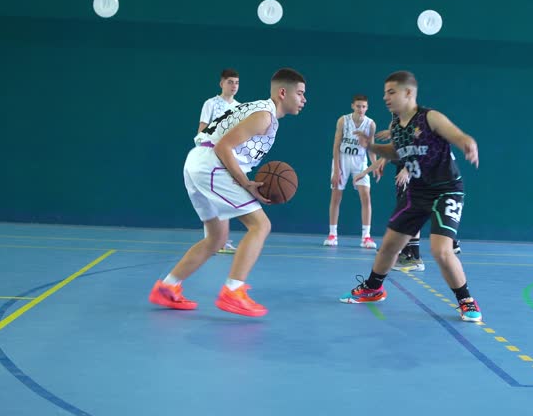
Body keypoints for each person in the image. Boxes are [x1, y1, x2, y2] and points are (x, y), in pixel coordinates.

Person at [149, 68, 307, 316]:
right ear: (283, 93)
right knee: (260, 225)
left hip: (198, 162)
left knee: (216, 238)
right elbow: (224, 146)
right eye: (300, 93)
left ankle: (167, 287)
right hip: (212, 163)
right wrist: (245, 183)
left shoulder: (260, 110)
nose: (303, 99)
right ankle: (233, 291)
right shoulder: (264, 116)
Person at [339, 71, 482, 322]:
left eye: (391, 92)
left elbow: (456, 134)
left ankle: (466, 300)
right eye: (384, 93)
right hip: (417, 191)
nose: (385, 97)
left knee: (441, 250)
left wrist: (467, 142)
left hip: (446, 189)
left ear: (408, 93)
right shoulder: (396, 125)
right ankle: (373, 288)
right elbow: (398, 152)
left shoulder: (430, 118)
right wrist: (371, 147)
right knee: (389, 246)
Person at [323, 95, 380, 248]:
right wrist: (336, 169)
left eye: (363, 106)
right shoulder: (343, 121)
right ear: (352, 106)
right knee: (336, 196)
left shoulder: (370, 124)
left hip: (360, 161)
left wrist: (375, 165)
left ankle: (366, 237)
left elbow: (371, 148)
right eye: (358, 106)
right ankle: (332, 234)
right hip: (342, 160)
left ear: (367, 108)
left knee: (366, 197)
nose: (361, 109)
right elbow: (336, 145)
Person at [198, 68, 241, 254]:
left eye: (237, 83)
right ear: (221, 83)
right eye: (230, 82)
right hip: (210, 155)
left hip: (229, 156)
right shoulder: (211, 104)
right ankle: (211, 241)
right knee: (211, 199)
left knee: (225, 198)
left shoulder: (240, 108)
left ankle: (223, 241)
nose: (234, 86)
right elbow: (202, 130)